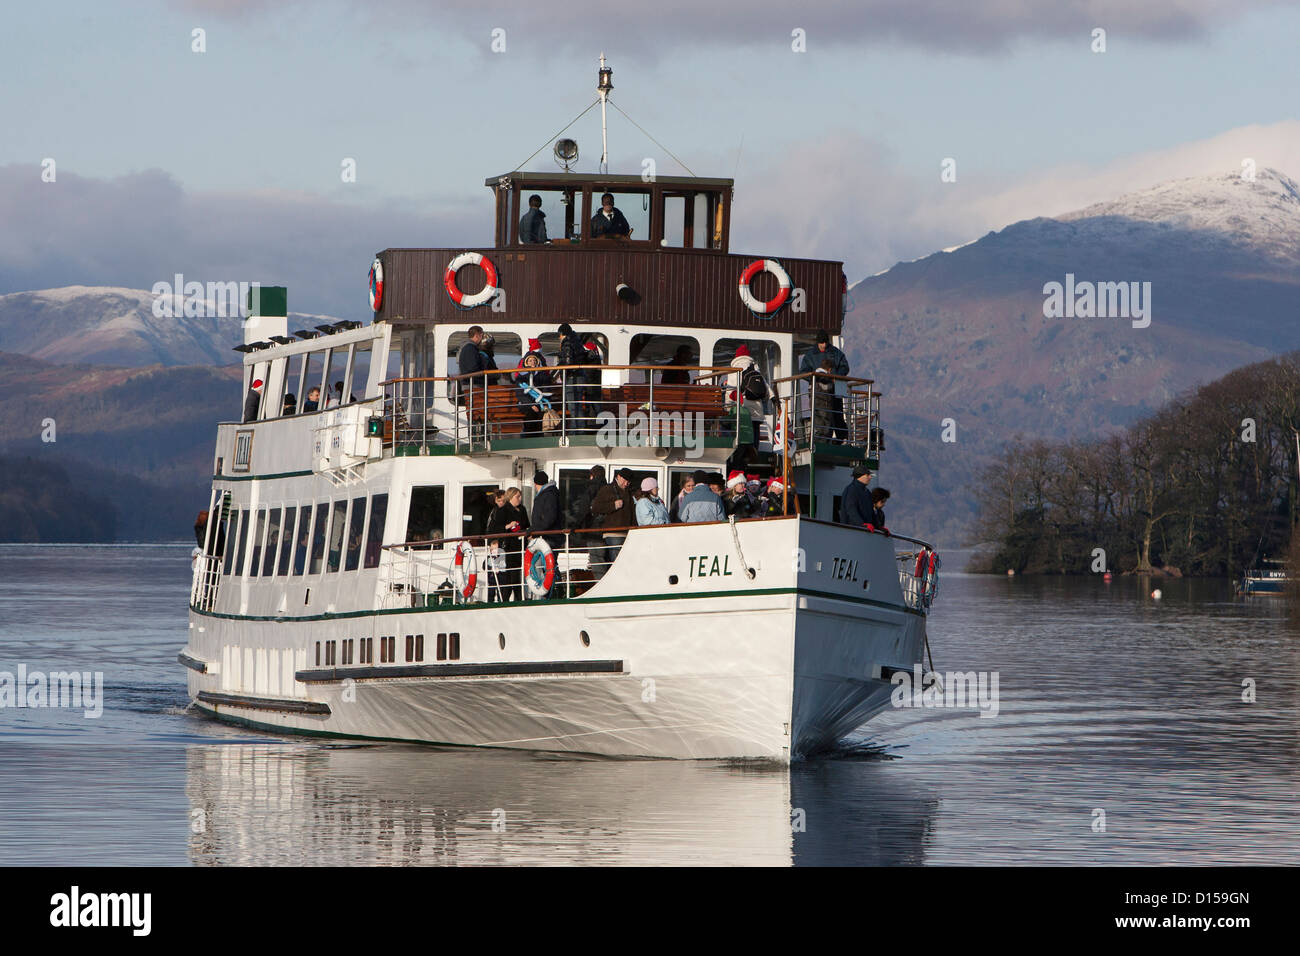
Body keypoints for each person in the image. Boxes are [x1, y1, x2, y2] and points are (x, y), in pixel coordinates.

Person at [588, 467, 635, 578]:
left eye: (628, 481)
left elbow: (632, 513)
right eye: (625, 480)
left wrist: (633, 529)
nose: (626, 483)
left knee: (622, 563)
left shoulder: (628, 492)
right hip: (613, 533)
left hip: (626, 533)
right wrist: (613, 505)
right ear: (618, 476)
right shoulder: (607, 489)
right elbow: (595, 508)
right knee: (617, 564)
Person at [487, 486, 528, 601]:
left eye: (520, 496)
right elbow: (494, 529)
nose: (519, 499)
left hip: (520, 545)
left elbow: (526, 525)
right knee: (510, 575)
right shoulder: (502, 510)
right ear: (510, 497)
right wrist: (508, 526)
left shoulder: (522, 509)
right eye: (517, 497)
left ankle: (516, 598)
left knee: (516, 574)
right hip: (508, 547)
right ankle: (507, 599)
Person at [514, 341, 554, 434]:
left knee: (541, 412)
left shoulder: (542, 375)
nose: (533, 362)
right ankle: (530, 436)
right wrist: (531, 404)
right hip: (526, 403)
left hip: (540, 401)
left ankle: (539, 436)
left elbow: (546, 389)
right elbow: (520, 393)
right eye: (530, 361)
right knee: (530, 413)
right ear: (526, 362)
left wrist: (542, 401)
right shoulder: (521, 376)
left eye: (535, 361)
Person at [567, 464, 606, 548]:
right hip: (607, 528)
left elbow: (584, 509)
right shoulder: (608, 488)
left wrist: (575, 526)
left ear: (593, 475)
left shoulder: (591, 489)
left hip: (593, 528)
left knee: (595, 556)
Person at [456, 326, 487, 407]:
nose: (482, 338)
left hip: (469, 384)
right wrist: (484, 374)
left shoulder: (466, 348)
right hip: (473, 384)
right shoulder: (470, 348)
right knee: (477, 409)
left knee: (474, 410)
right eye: (482, 335)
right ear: (477, 335)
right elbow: (472, 367)